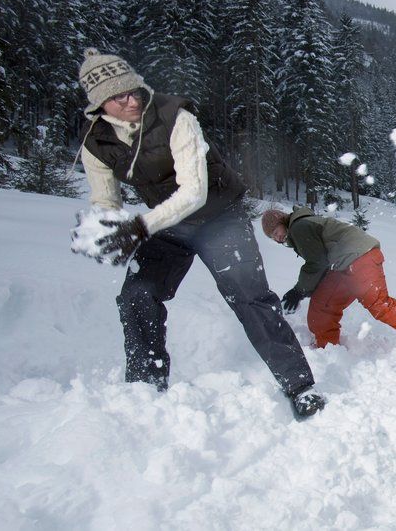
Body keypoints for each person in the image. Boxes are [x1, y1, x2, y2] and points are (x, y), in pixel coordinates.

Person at [71, 48, 325, 420]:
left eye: (133, 90)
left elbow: (194, 193)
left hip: (219, 217)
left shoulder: (176, 115)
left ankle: (301, 386)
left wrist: (138, 228)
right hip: (168, 224)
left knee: (250, 298)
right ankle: (145, 389)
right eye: (118, 98)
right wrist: (104, 227)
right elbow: (105, 200)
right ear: (99, 106)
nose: (131, 101)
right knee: (136, 295)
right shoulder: (96, 140)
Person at [260, 207, 396, 356]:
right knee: (322, 306)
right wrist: (307, 289)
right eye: (273, 237)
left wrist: (299, 290)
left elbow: (317, 262)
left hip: (359, 258)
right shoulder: (301, 226)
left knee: (379, 305)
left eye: (276, 232)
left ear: (282, 220)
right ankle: (327, 350)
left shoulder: (299, 227)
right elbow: (321, 262)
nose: (277, 238)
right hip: (343, 265)